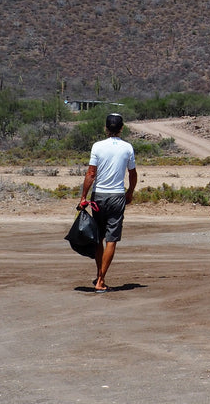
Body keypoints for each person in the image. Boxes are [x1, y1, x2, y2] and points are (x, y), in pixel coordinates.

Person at [79, 113, 137, 293]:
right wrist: (130, 192)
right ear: (121, 128)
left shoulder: (97, 146)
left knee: (99, 238)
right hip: (117, 196)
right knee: (112, 239)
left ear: (106, 128)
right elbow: (133, 174)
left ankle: (99, 274)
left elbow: (91, 174)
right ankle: (101, 280)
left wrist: (83, 197)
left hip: (99, 196)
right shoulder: (127, 148)